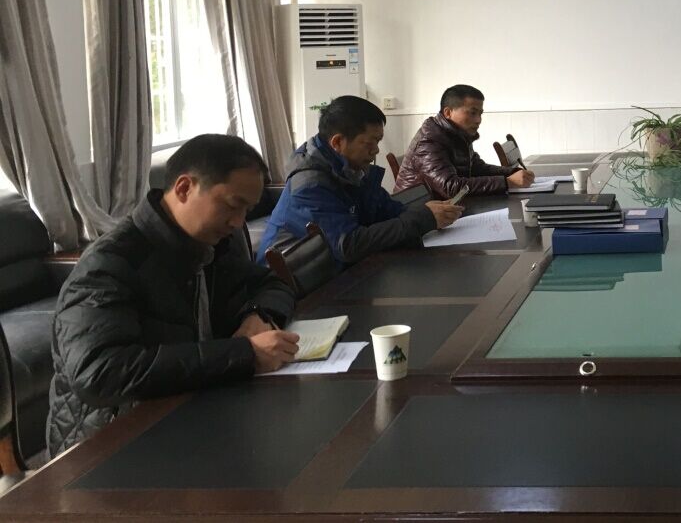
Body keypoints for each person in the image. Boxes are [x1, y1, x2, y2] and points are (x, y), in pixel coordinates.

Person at [47, 135, 300, 457]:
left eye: (247, 210)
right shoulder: (110, 264)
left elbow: (273, 283)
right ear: (184, 188)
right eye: (233, 205)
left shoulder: (213, 243)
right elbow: (99, 374)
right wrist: (243, 355)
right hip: (113, 446)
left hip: (195, 413)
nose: (238, 222)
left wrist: (258, 314)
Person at [258, 95, 462, 266]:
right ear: (338, 142)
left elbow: (387, 210)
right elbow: (348, 245)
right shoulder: (310, 184)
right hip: (296, 285)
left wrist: (428, 213)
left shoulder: (352, 168)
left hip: (337, 271)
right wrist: (421, 219)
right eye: (370, 142)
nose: (376, 150)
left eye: (378, 141)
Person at [393, 84, 535, 196]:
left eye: (480, 114)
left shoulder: (458, 134)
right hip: (419, 214)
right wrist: (507, 182)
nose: (478, 120)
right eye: (472, 113)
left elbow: (478, 168)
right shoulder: (429, 141)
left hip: (446, 208)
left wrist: (512, 172)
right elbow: (450, 187)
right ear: (448, 112)